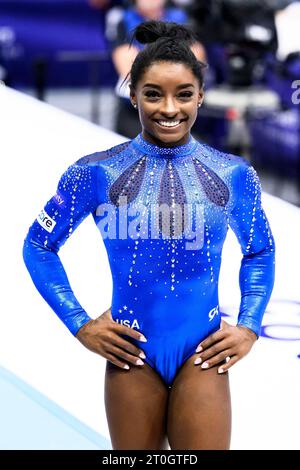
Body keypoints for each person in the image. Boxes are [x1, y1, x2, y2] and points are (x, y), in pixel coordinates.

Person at [22, 20, 276, 450]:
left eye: (183, 94)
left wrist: (249, 325)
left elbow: (260, 251)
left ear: (201, 95)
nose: (169, 108)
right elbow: (38, 246)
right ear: (133, 94)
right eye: (153, 94)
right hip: (133, 355)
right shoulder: (95, 173)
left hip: (203, 353)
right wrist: (80, 324)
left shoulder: (234, 175)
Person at [105, 0, 205, 137]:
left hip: (180, 106)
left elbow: (196, 56)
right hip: (133, 111)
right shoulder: (123, 19)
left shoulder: (181, 17)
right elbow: (125, 64)